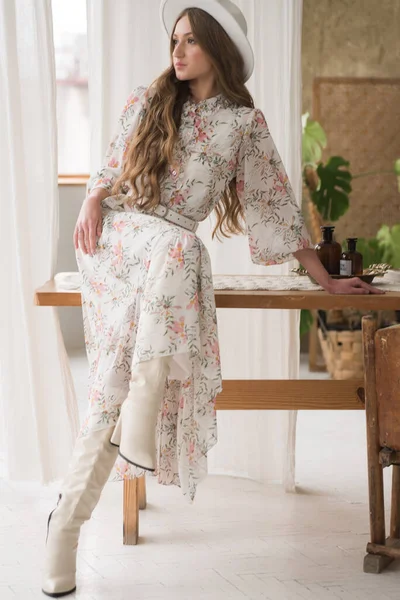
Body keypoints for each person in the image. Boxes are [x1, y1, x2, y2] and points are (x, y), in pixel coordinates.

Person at [41, 0, 384, 596]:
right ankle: (139, 427)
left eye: (191, 42)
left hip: (165, 263)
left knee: (113, 380)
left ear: (218, 52)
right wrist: (94, 198)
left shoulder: (243, 126)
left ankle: (64, 528)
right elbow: (109, 171)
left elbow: (273, 206)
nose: (177, 52)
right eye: (175, 39)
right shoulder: (148, 101)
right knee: (183, 250)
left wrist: (324, 280)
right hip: (117, 243)